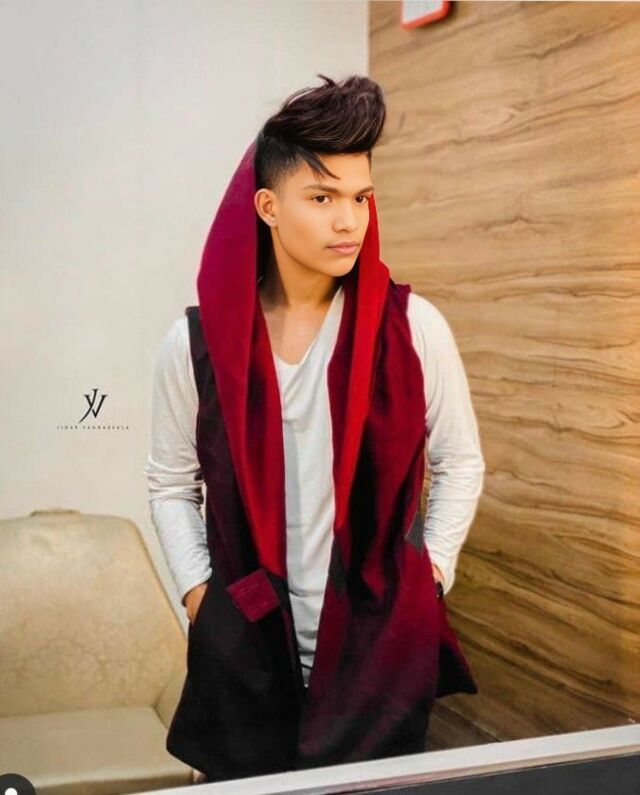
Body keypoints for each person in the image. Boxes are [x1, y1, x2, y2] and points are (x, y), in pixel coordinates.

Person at [144, 74, 485, 782]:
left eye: (361, 198)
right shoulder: (196, 345)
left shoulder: (412, 328)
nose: (348, 221)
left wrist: (428, 579)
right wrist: (202, 596)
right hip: (244, 646)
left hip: (377, 652)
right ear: (268, 206)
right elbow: (170, 482)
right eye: (323, 198)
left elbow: (460, 463)